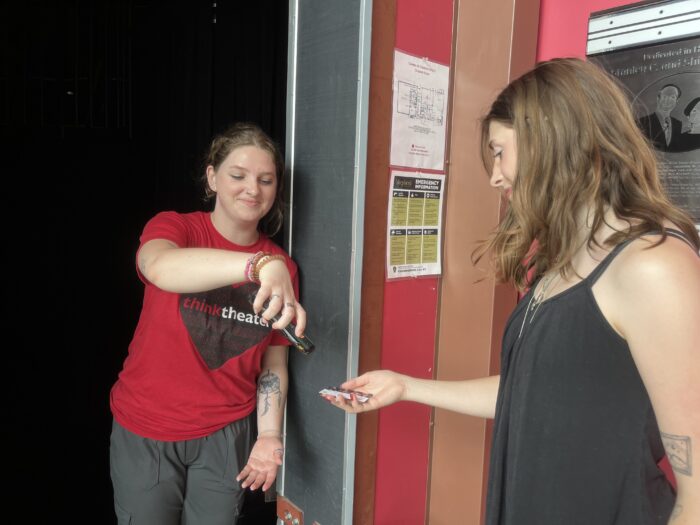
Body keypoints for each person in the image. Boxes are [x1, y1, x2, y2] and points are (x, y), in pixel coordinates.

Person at [327, 59, 700, 524]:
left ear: (551, 143)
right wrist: (406, 387)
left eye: (500, 152)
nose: (495, 176)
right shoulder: (562, 259)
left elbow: (697, 492)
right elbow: (534, 392)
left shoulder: (653, 266)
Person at [109, 122, 307, 524]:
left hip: (225, 434)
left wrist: (269, 436)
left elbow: (273, 364)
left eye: (266, 180)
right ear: (212, 177)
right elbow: (159, 267)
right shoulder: (177, 228)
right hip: (147, 424)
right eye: (238, 176)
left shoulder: (282, 268)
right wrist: (258, 266)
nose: (253, 189)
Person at [638, 83, 683, 152]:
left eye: (672, 97)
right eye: (665, 96)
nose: (667, 100)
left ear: (677, 101)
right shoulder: (642, 122)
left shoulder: (678, 124)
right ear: (658, 98)